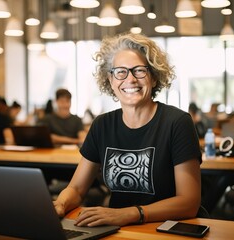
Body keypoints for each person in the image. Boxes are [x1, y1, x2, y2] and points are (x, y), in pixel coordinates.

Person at [53, 33, 202, 227]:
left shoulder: (177, 122)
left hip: (165, 228)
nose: (130, 79)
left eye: (139, 71)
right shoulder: (102, 125)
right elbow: (77, 188)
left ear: (154, 77)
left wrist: (129, 214)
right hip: (116, 229)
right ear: (111, 80)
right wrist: (60, 204)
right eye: (120, 72)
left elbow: (189, 202)